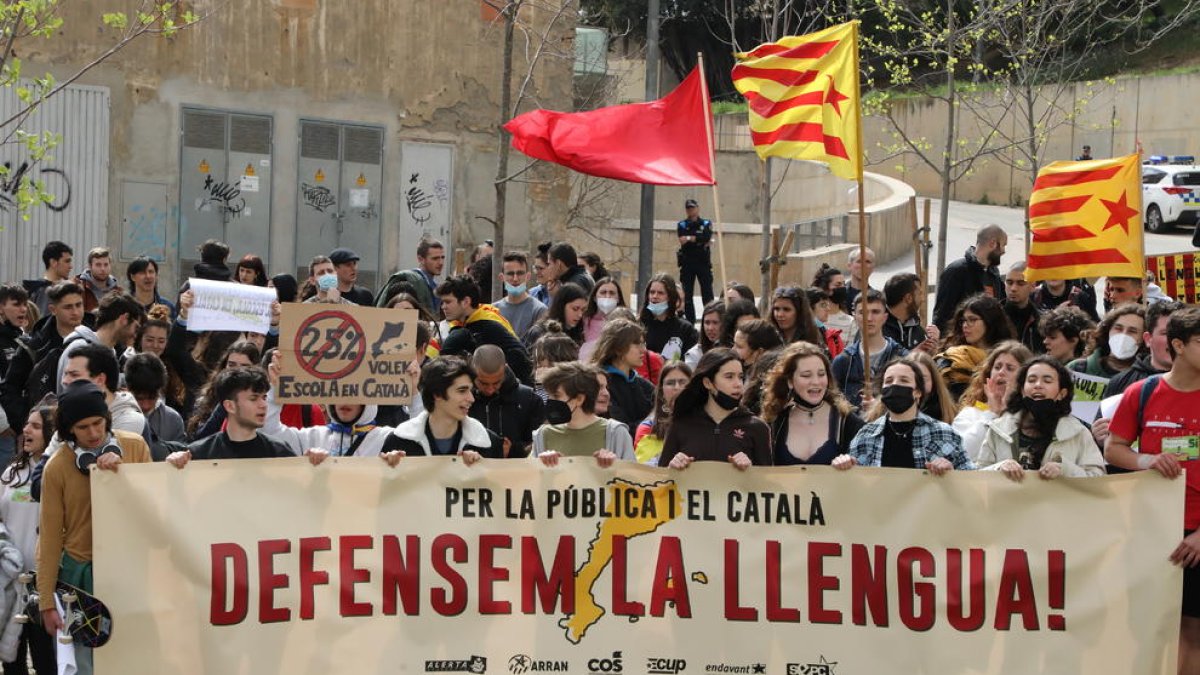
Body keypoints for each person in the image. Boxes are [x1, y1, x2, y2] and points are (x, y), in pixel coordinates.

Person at [1104, 307, 1200, 673]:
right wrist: (1146, 461)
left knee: (1191, 632)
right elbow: (1114, 448)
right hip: (1150, 531)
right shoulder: (1141, 392)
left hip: (1195, 537)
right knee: (1146, 628)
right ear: (1178, 344)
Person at [38, 381, 151, 674]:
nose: (93, 433)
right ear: (69, 430)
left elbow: (154, 508)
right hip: (80, 578)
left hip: (130, 571)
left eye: (98, 423)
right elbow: (49, 538)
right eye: (83, 427)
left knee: (134, 659)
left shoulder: (135, 447)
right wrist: (46, 601)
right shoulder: (57, 467)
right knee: (86, 664)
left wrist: (124, 472)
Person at [833, 357, 973, 473]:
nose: (895, 385)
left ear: (918, 392)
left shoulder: (944, 433)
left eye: (904, 380)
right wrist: (845, 465)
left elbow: (972, 480)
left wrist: (951, 471)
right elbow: (854, 488)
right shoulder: (865, 436)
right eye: (888, 381)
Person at [166, 367, 329, 464]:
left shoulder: (279, 452)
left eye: (264, 397)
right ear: (229, 405)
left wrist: (313, 466)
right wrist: (173, 467)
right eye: (253, 398)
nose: (263, 404)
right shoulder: (200, 454)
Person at [978, 355, 1105, 479]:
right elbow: (977, 475)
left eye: (1047, 381)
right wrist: (999, 467)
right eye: (1031, 380)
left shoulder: (1078, 433)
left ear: (1062, 393)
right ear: (1022, 390)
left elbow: (1098, 479)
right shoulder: (999, 429)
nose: (1038, 385)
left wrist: (1064, 470)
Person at [1, 404, 55, 674]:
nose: (25, 430)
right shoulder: (11, 474)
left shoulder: (56, 472)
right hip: (11, 582)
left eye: (35, 426)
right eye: (26, 425)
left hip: (44, 584)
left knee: (46, 659)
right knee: (11, 660)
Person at [657, 348, 772, 469]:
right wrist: (671, 468)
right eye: (729, 377)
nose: (738, 384)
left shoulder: (757, 428)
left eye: (740, 377)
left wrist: (751, 470)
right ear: (707, 383)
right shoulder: (680, 424)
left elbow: (768, 483)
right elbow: (661, 480)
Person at [1092, 301, 1183, 448]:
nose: (1175, 341)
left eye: (1181, 334)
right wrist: (1099, 438)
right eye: (1166, 333)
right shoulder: (1121, 383)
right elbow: (1105, 450)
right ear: (1148, 339)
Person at [1, 282, 86, 432]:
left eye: (79, 305)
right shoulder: (33, 346)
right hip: (44, 432)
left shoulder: (94, 340)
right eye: (68, 307)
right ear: (53, 309)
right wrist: (24, 425)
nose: (75, 312)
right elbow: (10, 388)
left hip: (86, 425)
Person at [762, 341, 863, 465]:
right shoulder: (775, 422)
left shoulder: (847, 422)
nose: (816, 382)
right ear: (790, 381)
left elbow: (868, 468)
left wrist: (854, 463)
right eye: (806, 375)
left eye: (821, 374)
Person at [381, 357, 503, 459]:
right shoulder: (398, 441)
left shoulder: (489, 443)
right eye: (462, 391)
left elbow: (500, 487)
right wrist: (390, 469)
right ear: (437, 394)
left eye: (470, 390)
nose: (471, 399)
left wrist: (482, 471)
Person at [437, 274, 534, 385]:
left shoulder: (486, 325)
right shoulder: (469, 322)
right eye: (442, 302)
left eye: (448, 302)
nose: (443, 306)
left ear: (466, 302)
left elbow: (519, 358)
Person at [531, 361, 632, 466]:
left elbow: (634, 478)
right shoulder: (543, 434)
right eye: (549, 395)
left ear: (579, 399)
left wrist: (614, 467)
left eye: (556, 396)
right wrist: (542, 466)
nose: (550, 401)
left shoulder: (616, 432)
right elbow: (530, 478)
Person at [951, 341, 1032, 463]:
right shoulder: (970, 414)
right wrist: (992, 414)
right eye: (997, 367)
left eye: (1010, 368)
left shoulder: (1029, 416)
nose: (1001, 372)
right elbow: (959, 454)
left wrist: (1007, 412)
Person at [56, 292, 145, 394]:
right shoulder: (80, 348)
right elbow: (72, 397)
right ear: (124, 319)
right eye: (136, 327)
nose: (135, 334)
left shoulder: (111, 353)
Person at [832, 290, 908, 407]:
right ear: (855, 317)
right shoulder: (843, 362)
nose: (869, 318)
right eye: (863, 312)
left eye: (875, 312)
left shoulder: (902, 358)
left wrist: (879, 407)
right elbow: (833, 401)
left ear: (885, 317)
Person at [935, 294, 1016, 400]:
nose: (965, 325)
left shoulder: (1007, 356)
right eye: (963, 321)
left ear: (989, 321)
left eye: (972, 319)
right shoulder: (952, 357)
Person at [469, 344, 544, 458]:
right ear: (472, 371)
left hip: (518, 471)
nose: (490, 390)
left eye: (496, 383)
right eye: (483, 383)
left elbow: (539, 442)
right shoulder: (461, 401)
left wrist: (513, 451)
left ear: (505, 370)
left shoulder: (529, 399)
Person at [61, 343, 148, 437]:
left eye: (74, 375)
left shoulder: (129, 421)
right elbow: (53, 450)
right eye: (65, 374)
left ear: (100, 380)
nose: (64, 381)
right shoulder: (70, 411)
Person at [932, 224, 1007, 331]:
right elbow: (942, 315)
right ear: (992, 243)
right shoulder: (957, 271)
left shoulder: (994, 273)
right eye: (1003, 245)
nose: (1004, 251)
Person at [590, 319, 654, 432]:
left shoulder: (645, 386)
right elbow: (620, 429)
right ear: (618, 348)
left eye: (643, 344)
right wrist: (653, 423)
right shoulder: (600, 385)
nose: (643, 350)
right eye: (637, 344)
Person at [633, 362, 690, 465]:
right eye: (670, 383)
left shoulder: (708, 423)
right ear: (662, 392)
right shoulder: (648, 428)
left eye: (682, 382)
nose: (676, 387)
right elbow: (644, 473)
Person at [124, 352, 187, 445]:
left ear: (160, 391)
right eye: (139, 399)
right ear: (128, 389)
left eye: (152, 398)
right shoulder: (116, 416)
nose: (146, 406)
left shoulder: (173, 420)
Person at [1067, 303, 1145, 378]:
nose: (1123, 335)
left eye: (1132, 331)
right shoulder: (1077, 369)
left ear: (1144, 338)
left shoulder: (1145, 379)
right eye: (1118, 328)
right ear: (1108, 331)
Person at [375, 238, 446, 314]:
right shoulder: (407, 280)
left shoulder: (434, 286)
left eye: (442, 257)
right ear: (420, 259)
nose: (441, 262)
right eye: (435, 258)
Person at [640, 273, 697, 362]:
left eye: (660, 293)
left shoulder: (685, 329)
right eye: (652, 292)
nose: (655, 296)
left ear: (670, 297)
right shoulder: (639, 325)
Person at [494, 251, 548, 340]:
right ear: (501, 277)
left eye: (520, 273)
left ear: (528, 276)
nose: (515, 279)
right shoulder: (494, 311)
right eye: (510, 274)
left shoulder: (539, 310)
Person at [676, 198, 714, 322]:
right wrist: (697, 239)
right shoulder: (682, 224)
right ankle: (690, 322)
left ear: (697, 208)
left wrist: (692, 238)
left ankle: (709, 318)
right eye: (688, 208)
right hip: (687, 263)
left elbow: (706, 237)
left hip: (703, 262)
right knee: (687, 295)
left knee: (707, 294)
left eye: (693, 208)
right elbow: (682, 239)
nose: (691, 210)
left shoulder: (706, 223)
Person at [883, 272, 937, 351]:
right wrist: (912, 355)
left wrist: (934, 346)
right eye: (920, 294)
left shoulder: (918, 331)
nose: (923, 299)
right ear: (908, 298)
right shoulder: (877, 330)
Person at [524, 282, 588, 348]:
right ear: (561, 306)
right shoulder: (539, 332)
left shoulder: (580, 333)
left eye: (583, 310)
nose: (580, 315)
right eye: (575, 309)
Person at [1001, 262, 1045, 354]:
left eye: (1020, 283)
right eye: (1009, 282)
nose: (1013, 288)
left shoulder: (1041, 321)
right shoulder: (992, 316)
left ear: (1032, 286)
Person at [580, 277, 626, 361]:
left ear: (618, 298)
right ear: (594, 297)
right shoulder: (583, 320)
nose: (607, 296)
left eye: (612, 293)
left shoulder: (625, 323)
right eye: (603, 292)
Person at [23, 241, 72, 317]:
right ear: (53, 262)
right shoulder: (43, 290)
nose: (70, 266)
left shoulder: (68, 287)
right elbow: (43, 323)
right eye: (67, 261)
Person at [812, 264, 855, 342]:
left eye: (844, 284)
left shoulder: (851, 322)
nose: (842, 288)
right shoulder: (814, 319)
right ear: (825, 289)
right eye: (838, 284)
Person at [1031, 278, 1100, 322]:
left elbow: (1095, 328)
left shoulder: (1080, 296)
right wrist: (1056, 313)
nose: (1054, 274)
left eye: (1059, 269)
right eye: (1049, 270)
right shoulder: (1033, 296)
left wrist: (1081, 318)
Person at [805, 287, 845, 358]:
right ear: (809, 308)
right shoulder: (797, 334)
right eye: (823, 305)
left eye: (827, 305)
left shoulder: (834, 336)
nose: (828, 309)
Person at [685, 300, 725, 368]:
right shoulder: (694, 354)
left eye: (715, 322)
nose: (710, 328)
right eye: (707, 322)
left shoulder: (734, 349)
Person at [844, 246, 876, 312]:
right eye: (859, 261)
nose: (863, 265)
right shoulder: (840, 294)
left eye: (868, 262)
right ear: (849, 266)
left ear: (873, 268)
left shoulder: (876, 298)